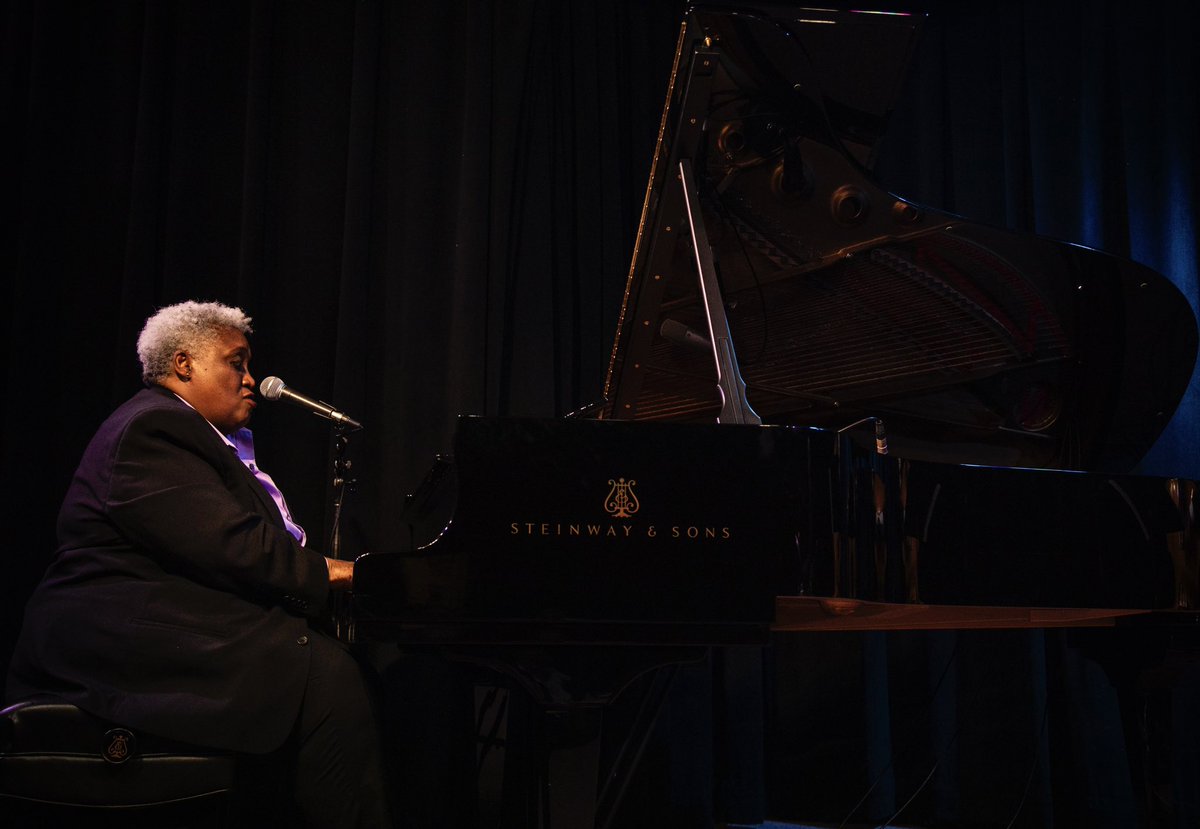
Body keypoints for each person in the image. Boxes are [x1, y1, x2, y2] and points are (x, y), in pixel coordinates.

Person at [6, 300, 390, 828]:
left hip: (170, 628)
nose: (252, 380)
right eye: (238, 363)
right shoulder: (153, 427)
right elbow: (233, 544)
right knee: (323, 673)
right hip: (117, 644)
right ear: (184, 365)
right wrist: (345, 573)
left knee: (339, 665)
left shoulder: (189, 435)